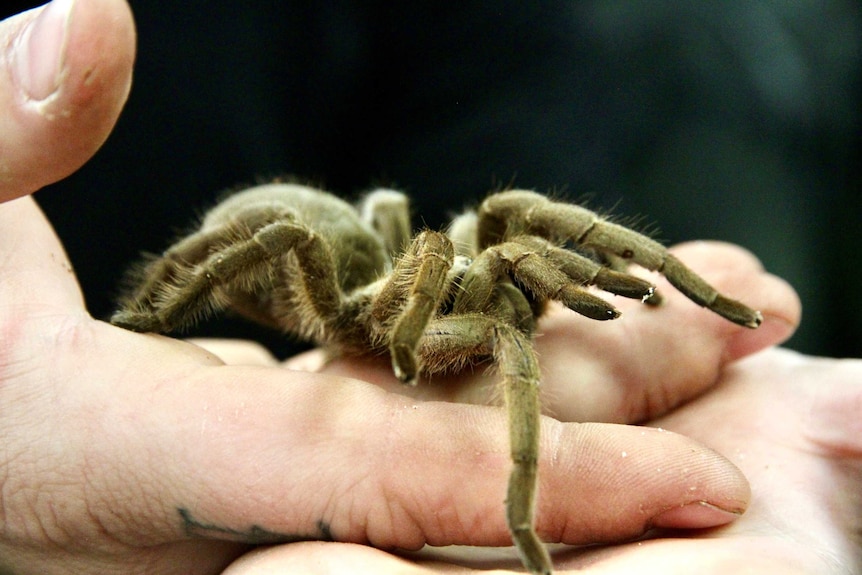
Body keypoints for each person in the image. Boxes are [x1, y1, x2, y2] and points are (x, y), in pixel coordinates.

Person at [0, 1, 858, 574]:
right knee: (294, 231)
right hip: (331, 279)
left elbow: (515, 176)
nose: (523, 291)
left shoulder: (480, 39)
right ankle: (150, 307)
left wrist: (672, 294)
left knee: (508, 215)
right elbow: (387, 273)